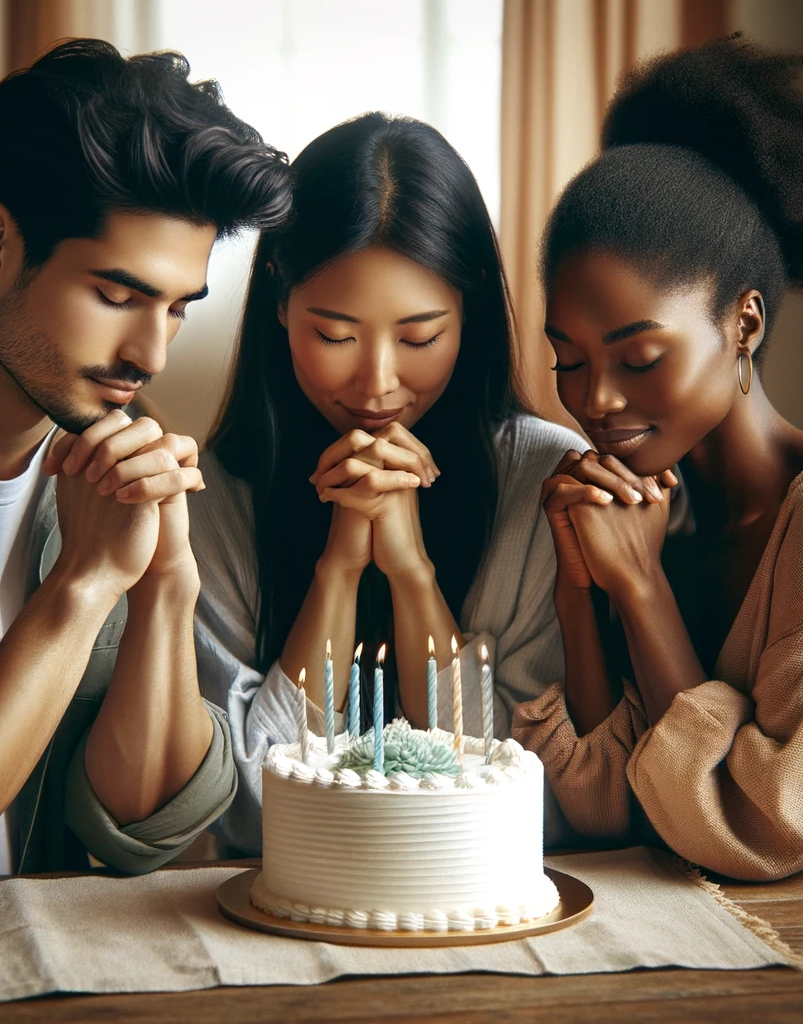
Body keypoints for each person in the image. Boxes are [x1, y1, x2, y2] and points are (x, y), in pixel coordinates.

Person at [0, 39, 292, 924]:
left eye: (176, 307)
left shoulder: (116, 461)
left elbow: (142, 828)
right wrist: (83, 587)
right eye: (119, 295)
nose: (151, 354)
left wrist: (165, 582)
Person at [513, 35, 803, 881]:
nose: (595, 402)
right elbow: (610, 809)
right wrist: (581, 585)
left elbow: (766, 826)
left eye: (639, 359)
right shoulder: (650, 505)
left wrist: (641, 592)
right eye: (568, 360)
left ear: (743, 323)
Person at [189, 111, 585, 854]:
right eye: (335, 335)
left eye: (420, 337)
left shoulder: (546, 481)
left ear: (469, 311)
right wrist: (339, 567)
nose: (377, 384)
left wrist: (410, 571)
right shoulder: (217, 492)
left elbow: (507, 798)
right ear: (279, 302)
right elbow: (245, 811)